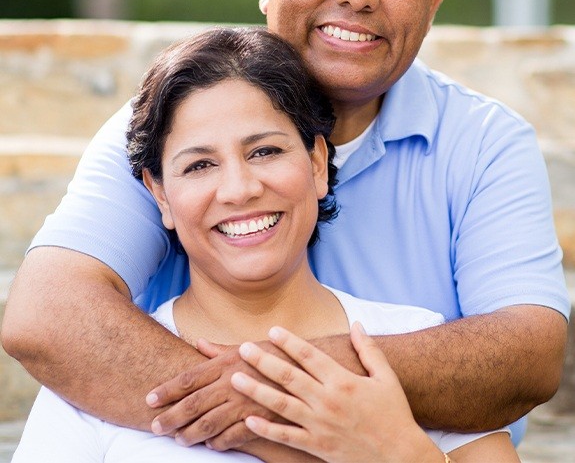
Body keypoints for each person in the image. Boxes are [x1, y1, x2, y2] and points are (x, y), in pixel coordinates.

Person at [2, 0, 569, 453]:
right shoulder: (172, 122)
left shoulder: (485, 144)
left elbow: (527, 355)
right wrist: (287, 426)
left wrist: (282, 389)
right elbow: (48, 314)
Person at [12, 27, 519, 462]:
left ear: (318, 163)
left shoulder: (414, 343)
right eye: (200, 165)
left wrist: (399, 452)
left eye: (265, 151)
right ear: (159, 195)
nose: (239, 189)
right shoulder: (93, 379)